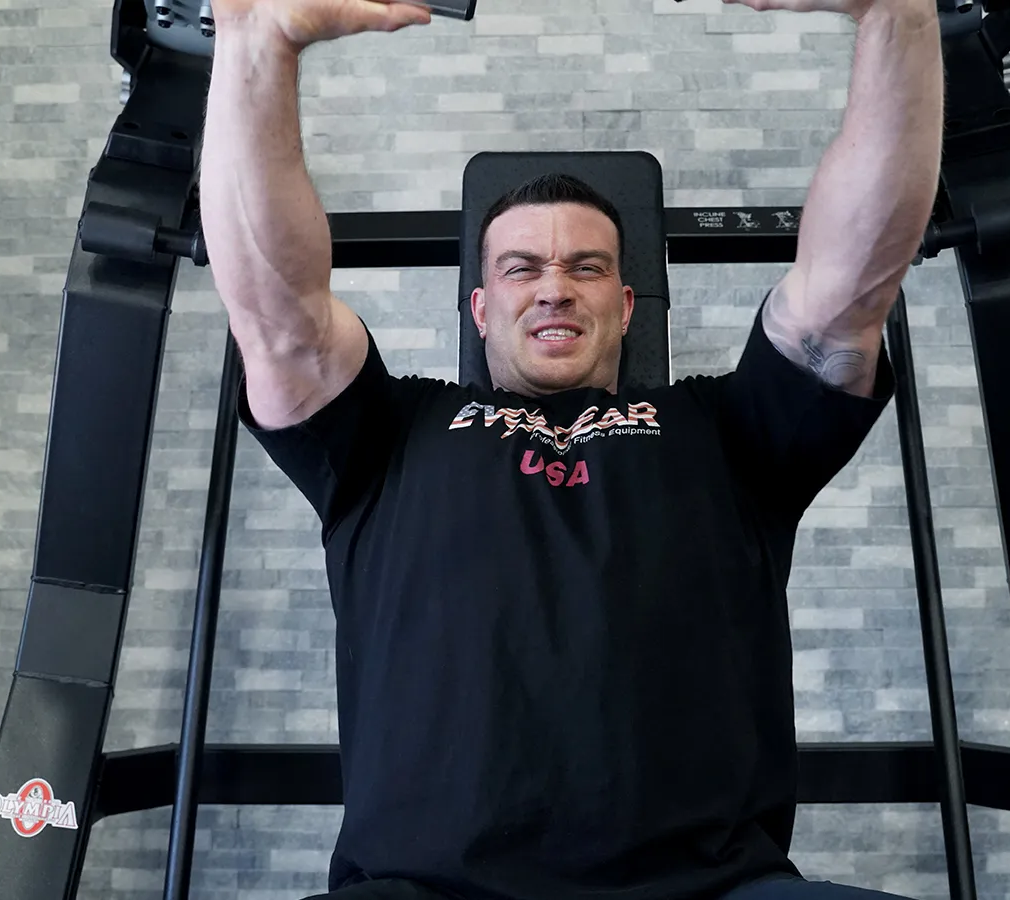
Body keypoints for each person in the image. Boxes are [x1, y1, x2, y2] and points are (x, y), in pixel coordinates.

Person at [199, 0, 944, 897]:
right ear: (480, 309)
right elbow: (279, 321)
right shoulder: (387, 437)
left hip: (711, 891)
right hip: (422, 891)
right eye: (521, 268)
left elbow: (849, 292)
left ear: (626, 306)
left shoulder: (731, 430)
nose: (554, 288)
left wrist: (899, 17)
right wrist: (256, 39)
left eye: (587, 267)